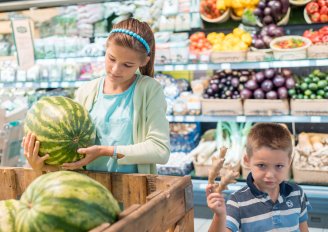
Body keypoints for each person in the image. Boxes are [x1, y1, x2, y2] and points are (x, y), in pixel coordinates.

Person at [22, 18, 170, 174]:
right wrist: (40, 165)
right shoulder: (86, 91)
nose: (115, 69)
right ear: (105, 49)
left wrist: (105, 151)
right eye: (111, 59)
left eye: (127, 65)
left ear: (144, 61)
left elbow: (160, 150)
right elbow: (68, 154)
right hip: (87, 190)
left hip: (134, 190)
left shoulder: (149, 90)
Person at [206, 123, 311, 232]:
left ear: (289, 162)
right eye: (261, 165)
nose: (270, 175)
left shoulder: (297, 193)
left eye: (279, 166)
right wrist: (219, 215)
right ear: (247, 161)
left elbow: (303, 228)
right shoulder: (237, 201)